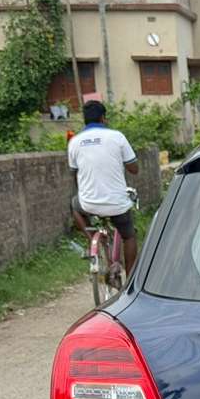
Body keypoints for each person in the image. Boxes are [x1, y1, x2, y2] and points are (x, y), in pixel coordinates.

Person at [68, 100, 139, 273]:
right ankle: (129, 281)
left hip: (88, 203)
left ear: (84, 120)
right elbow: (134, 169)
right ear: (103, 118)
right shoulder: (117, 137)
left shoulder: (74, 142)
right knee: (129, 236)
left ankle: (94, 240)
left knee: (74, 206)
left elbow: (74, 174)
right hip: (117, 204)